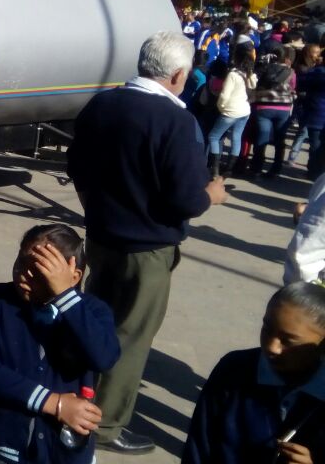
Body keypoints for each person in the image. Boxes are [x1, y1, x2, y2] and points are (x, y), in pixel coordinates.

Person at [67, 31, 228, 455]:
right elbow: (185, 199)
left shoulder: (101, 104)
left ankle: (79, 394)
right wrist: (211, 195)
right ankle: (105, 424)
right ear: (178, 74)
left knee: (96, 321)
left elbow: (76, 166)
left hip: (101, 237)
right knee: (131, 335)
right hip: (148, 247)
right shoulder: (176, 121)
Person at [0, 224, 120, 464]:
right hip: (0, 448)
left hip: (62, 454)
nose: (23, 276)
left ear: (73, 276)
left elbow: (105, 357)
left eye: (38, 271)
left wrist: (66, 297)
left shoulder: (92, 312)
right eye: (20, 264)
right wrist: (55, 403)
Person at [182, 282, 325, 463]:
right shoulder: (235, 369)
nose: (272, 347)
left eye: (289, 340)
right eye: (266, 329)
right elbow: (199, 446)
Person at [208, 43, 256, 176]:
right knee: (236, 137)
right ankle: (230, 168)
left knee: (214, 136)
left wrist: (221, 107)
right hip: (245, 110)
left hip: (230, 111)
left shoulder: (233, 74)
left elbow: (224, 95)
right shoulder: (250, 74)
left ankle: (215, 168)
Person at [247, 46, 296, 178]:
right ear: (285, 58)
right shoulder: (291, 72)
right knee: (280, 139)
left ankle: (256, 168)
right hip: (283, 109)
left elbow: (254, 84)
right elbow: (293, 88)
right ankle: (276, 168)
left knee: (262, 136)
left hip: (263, 107)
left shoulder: (264, 69)